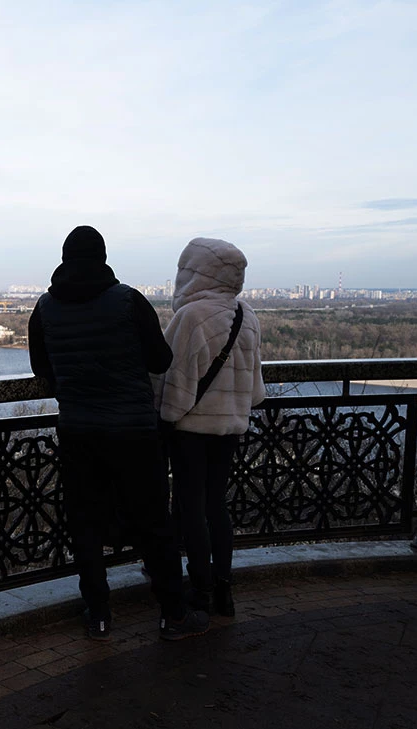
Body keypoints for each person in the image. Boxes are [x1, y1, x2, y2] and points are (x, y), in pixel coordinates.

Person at [29, 225, 209, 641]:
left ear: (64, 259)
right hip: (133, 432)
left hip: (78, 432)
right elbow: (161, 361)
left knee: (85, 523)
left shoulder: (44, 307)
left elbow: (43, 370)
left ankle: (98, 613)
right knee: (153, 522)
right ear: (103, 257)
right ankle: (173, 613)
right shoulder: (129, 300)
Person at [156, 237, 265, 617]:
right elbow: (255, 389)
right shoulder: (246, 315)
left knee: (190, 507)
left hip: (191, 430)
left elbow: (174, 381)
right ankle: (224, 590)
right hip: (231, 428)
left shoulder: (191, 317)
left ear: (195, 273)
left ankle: (199, 587)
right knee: (216, 506)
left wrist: (166, 417)